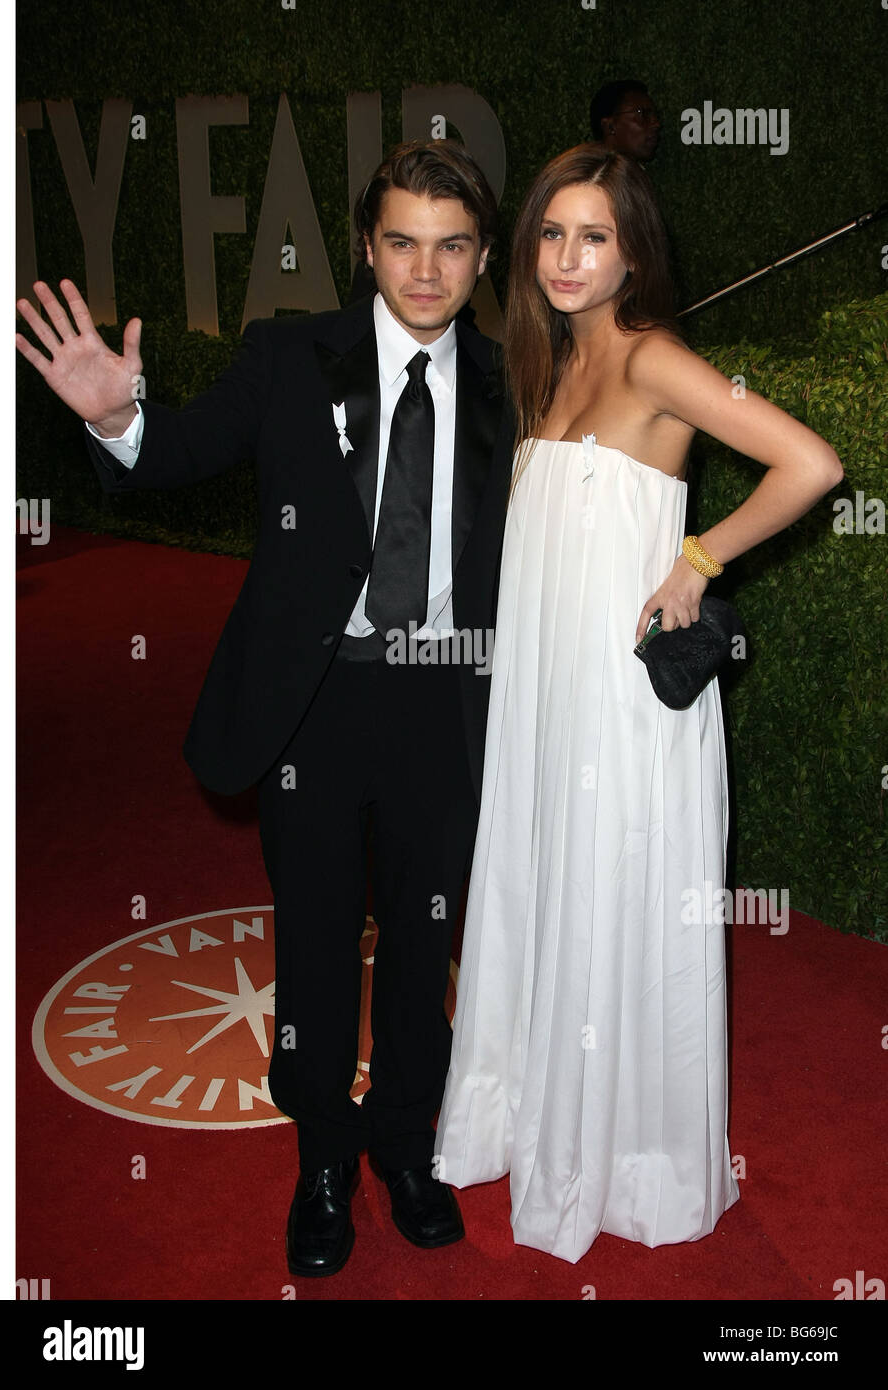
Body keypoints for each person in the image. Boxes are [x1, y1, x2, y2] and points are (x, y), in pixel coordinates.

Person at [15, 139, 514, 1278]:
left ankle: (405, 1148)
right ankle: (323, 1159)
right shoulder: (291, 357)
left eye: (449, 248)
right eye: (401, 243)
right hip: (316, 705)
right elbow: (173, 453)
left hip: (449, 700)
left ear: (481, 258)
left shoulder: (513, 377)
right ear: (365, 247)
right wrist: (114, 419)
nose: (424, 272)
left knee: (427, 939)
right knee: (318, 938)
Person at [435, 144, 842, 1263]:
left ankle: (622, 1158)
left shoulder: (656, 359)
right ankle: (528, 1113)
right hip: (544, 700)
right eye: (551, 236)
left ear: (631, 253)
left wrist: (700, 557)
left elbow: (810, 463)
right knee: (540, 877)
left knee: (613, 894)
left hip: (620, 708)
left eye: (594, 237)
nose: (567, 259)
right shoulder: (548, 364)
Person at [589, 79, 662, 162]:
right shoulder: (588, 174)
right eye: (642, 114)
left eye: (655, 115)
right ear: (609, 127)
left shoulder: (631, 173)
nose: (656, 124)